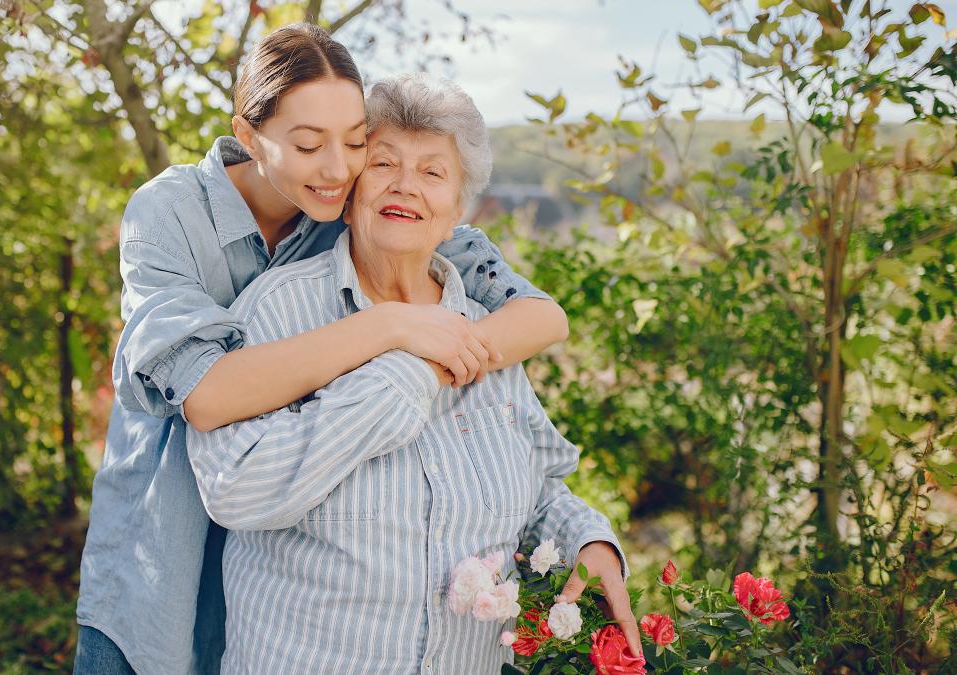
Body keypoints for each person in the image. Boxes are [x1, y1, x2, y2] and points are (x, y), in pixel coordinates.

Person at [74, 25, 572, 675]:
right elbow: (207, 395)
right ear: (248, 136)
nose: (338, 169)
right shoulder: (169, 213)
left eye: (356, 142)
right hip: (163, 542)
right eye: (309, 145)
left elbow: (540, 315)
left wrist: (437, 358)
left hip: (276, 559)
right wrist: (390, 328)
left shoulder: (356, 204)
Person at [185, 72, 638, 674]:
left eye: (433, 172)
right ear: (349, 191)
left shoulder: (486, 329)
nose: (406, 186)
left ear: (457, 215)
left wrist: (588, 539)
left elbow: (535, 489)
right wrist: (412, 373)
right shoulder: (277, 311)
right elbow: (235, 490)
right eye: (383, 164)